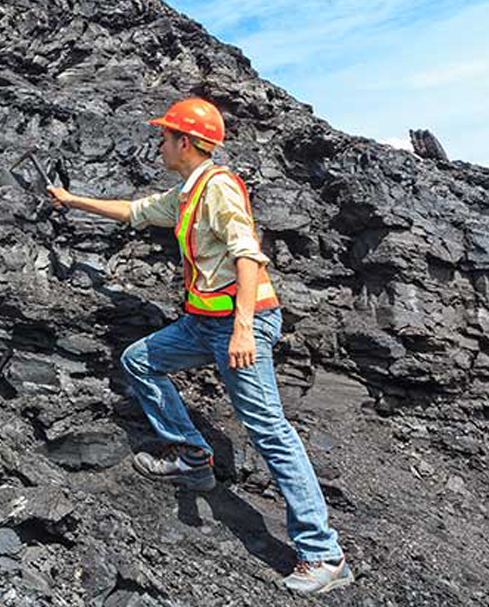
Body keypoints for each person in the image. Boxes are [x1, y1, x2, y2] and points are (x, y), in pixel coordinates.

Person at [46, 98, 354, 595]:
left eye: (165, 137)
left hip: (237, 323)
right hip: (200, 324)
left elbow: (248, 255)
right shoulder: (187, 195)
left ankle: (324, 554)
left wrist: (242, 329)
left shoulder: (220, 189)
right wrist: (71, 199)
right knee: (140, 361)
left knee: (269, 430)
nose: (160, 144)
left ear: (184, 142)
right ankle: (192, 456)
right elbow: (133, 211)